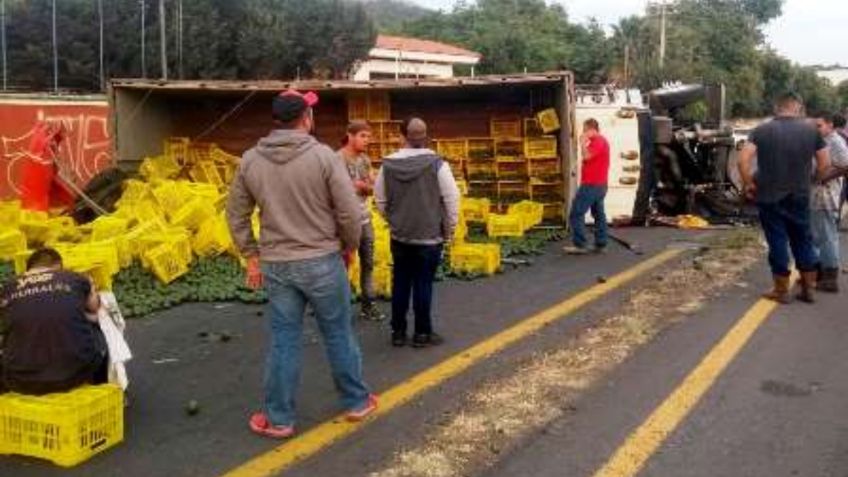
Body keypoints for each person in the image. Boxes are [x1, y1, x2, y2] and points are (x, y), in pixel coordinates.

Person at [227, 89, 377, 439]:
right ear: (306, 118)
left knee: (284, 339)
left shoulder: (251, 159)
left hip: (277, 265)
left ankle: (279, 419)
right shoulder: (324, 157)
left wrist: (251, 255)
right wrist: (349, 246)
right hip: (323, 259)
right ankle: (357, 402)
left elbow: (236, 214)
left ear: (276, 120)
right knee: (338, 332)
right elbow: (349, 211)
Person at [374, 118, 460, 348]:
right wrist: (450, 228)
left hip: (400, 235)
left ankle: (398, 332)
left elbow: (380, 199)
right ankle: (423, 333)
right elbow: (452, 198)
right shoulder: (437, 164)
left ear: (402, 135)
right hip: (430, 236)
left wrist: (392, 220)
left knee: (401, 282)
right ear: (425, 136)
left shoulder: (387, 165)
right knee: (424, 283)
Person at [738, 93, 830, 304]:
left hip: (769, 195)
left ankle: (781, 291)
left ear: (776, 108)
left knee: (777, 240)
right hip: (799, 194)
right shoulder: (811, 131)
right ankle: (808, 289)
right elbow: (825, 163)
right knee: (802, 240)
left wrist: (749, 184)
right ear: (797, 108)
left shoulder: (762, 130)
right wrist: (815, 179)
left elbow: (742, 160)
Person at [0, 248, 106, 395]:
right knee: (100, 325)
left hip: (20, 381)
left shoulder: (8, 288)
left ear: (29, 269)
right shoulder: (73, 278)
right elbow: (95, 307)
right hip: (76, 374)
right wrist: (91, 287)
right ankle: (101, 383)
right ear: (58, 266)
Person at [338, 121, 385, 321]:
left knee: (367, 263)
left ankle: (368, 305)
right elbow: (336, 189)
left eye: (368, 136)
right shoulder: (336, 159)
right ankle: (338, 308)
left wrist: (361, 186)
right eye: (363, 136)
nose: (368, 140)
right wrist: (357, 186)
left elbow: (371, 186)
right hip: (344, 221)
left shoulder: (365, 160)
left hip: (365, 218)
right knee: (342, 265)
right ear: (350, 135)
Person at [812, 112, 848, 292]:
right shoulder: (825, 140)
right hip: (818, 196)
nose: (816, 129)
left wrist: (823, 178)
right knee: (820, 235)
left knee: (826, 236)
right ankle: (819, 274)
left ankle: (830, 278)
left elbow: (845, 164)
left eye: (819, 126)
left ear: (830, 125)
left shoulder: (834, 141)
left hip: (825, 196)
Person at [564, 118, 610, 255]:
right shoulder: (600, 142)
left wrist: (582, 143)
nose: (583, 133)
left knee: (576, 213)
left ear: (591, 129)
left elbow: (587, 157)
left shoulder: (598, 141)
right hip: (599, 184)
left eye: (585, 130)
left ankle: (580, 244)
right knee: (598, 214)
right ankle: (601, 243)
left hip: (592, 185)